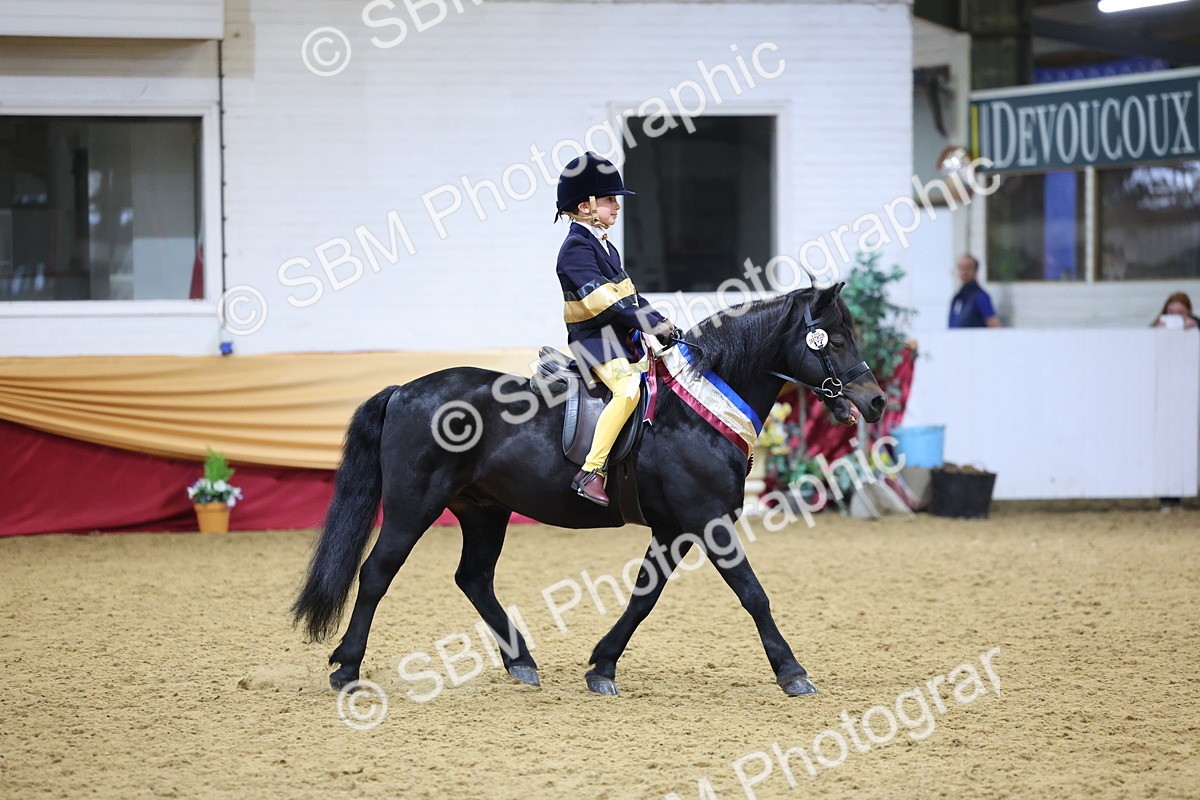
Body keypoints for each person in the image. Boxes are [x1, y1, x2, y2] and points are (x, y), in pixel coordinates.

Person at [554, 152, 676, 507]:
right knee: (627, 391)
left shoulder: (604, 247)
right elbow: (607, 302)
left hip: (621, 341)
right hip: (595, 343)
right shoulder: (575, 249)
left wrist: (665, 323)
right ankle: (591, 471)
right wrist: (654, 326)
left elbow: (631, 295)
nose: (617, 207)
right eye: (610, 200)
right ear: (586, 205)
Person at [1151, 292, 1198, 513]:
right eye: (1171, 313)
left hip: (1192, 395)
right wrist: (1156, 331)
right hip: (1166, 398)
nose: (1175, 317)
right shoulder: (1156, 329)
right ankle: (1169, 499)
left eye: (1180, 313)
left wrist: (1195, 326)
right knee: (1167, 448)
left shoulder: (1195, 327)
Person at [948, 254, 1000, 328]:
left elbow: (994, 325)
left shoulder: (980, 297)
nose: (964, 272)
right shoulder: (957, 298)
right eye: (961, 268)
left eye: (968, 268)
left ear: (975, 271)